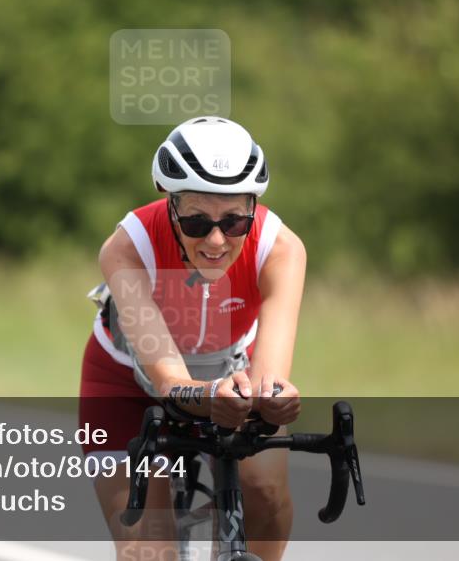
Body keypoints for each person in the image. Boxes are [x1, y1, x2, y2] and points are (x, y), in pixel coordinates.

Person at [79, 117, 306, 559]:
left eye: (236, 221)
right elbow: (167, 379)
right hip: (128, 385)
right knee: (147, 547)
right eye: (197, 222)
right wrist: (210, 396)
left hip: (231, 371)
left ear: (253, 211)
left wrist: (273, 397)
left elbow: (270, 377)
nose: (217, 240)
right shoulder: (127, 248)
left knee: (266, 492)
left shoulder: (281, 250)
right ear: (170, 205)